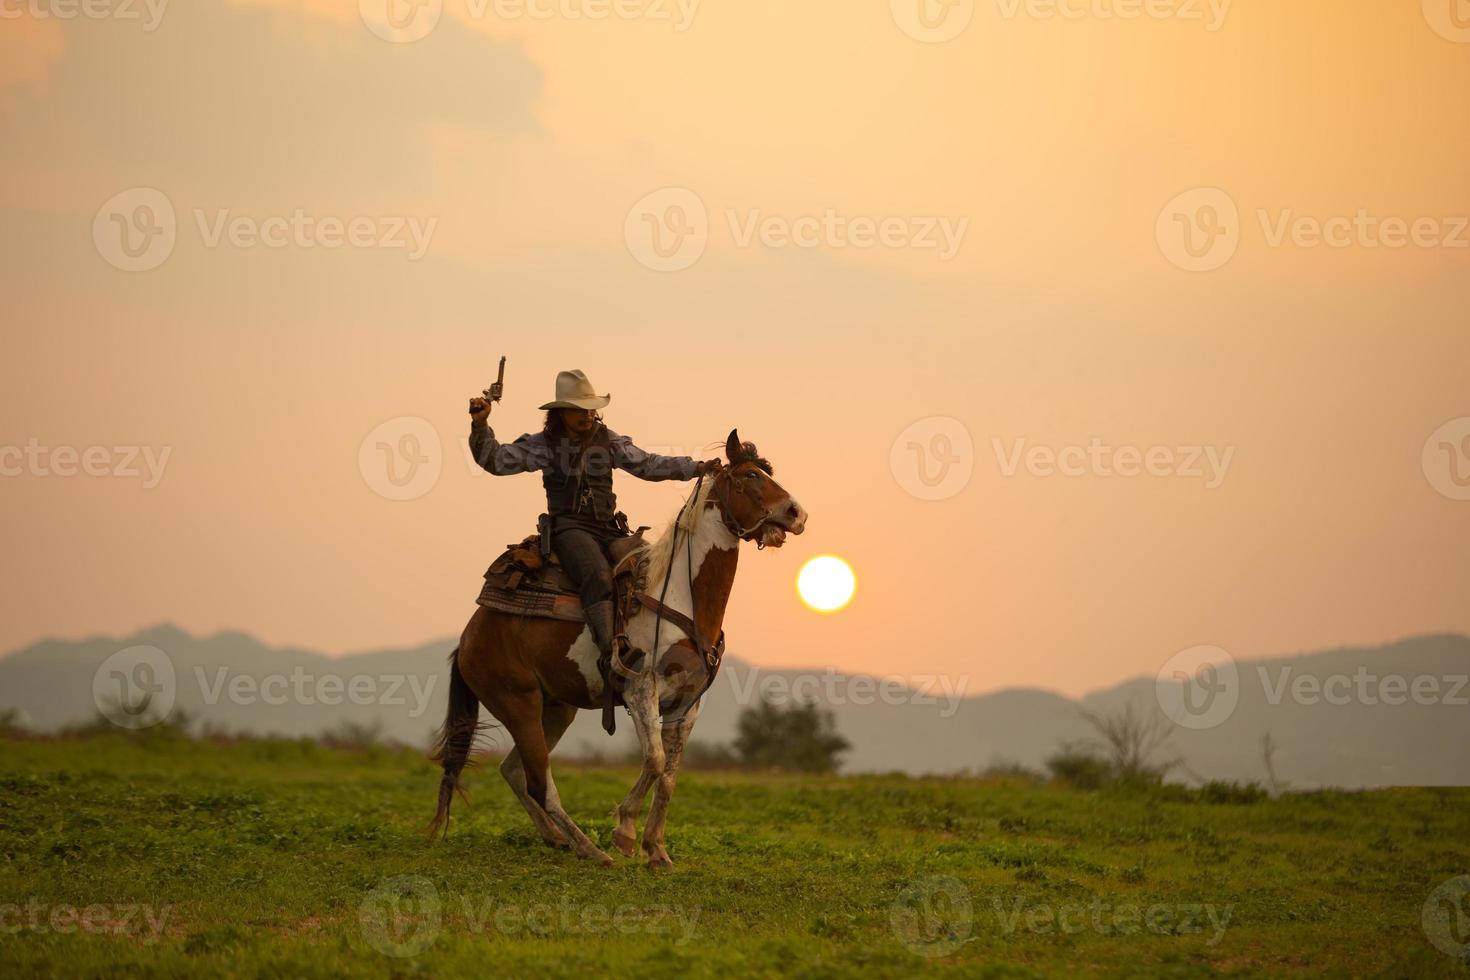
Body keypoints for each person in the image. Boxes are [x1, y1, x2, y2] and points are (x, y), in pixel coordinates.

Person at [468, 369, 720, 666]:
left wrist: (695, 468)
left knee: (651, 571)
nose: (587, 415)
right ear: (561, 413)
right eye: (578, 409)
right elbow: (496, 461)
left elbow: (648, 465)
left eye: (590, 408)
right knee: (598, 576)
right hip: (569, 530)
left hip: (608, 529)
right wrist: (480, 425)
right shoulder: (543, 445)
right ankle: (613, 653)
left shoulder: (609, 441)